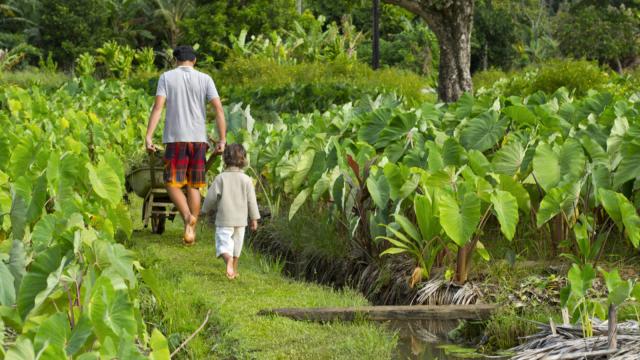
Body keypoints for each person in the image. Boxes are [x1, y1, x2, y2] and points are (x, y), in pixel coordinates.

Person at [145, 45, 226, 245]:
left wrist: (148, 136)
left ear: (175, 60)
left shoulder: (167, 77)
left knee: (171, 183)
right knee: (194, 185)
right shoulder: (205, 79)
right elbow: (218, 109)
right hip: (199, 140)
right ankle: (190, 227)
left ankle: (188, 216)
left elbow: (158, 107)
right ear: (194, 61)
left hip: (176, 138)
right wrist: (222, 139)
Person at [201, 144, 260, 279]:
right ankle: (234, 269)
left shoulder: (221, 178)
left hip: (224, 219)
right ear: (244, 159)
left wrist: (204, 210)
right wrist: (254, 219)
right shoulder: (246, 180)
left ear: (224, 159)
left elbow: (210, 197)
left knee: (223, 244)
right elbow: (252, 201)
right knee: (237, 246)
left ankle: (228, 261)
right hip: (240, 221)